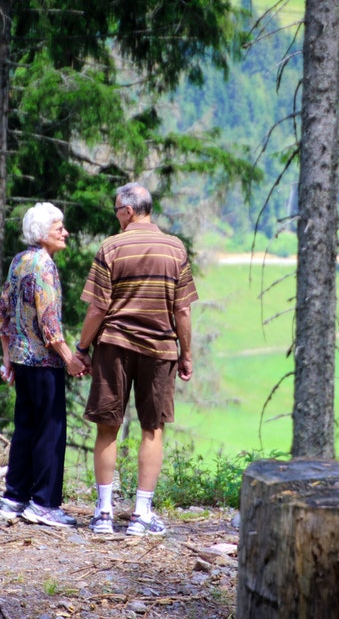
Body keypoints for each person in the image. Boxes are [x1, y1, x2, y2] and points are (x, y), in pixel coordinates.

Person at [73, 182, 198, 536]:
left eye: (116, 211)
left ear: (128, 211)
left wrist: (82, 349)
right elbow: (183, 310)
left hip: (113, 346)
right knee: (152, 429)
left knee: (107, 427)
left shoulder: (111, 247)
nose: (116, 217)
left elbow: (98, 307)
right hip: (160, 350)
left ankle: (103, 514)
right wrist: (186, 354)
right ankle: (142, 515)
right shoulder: (175, 248)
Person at [0, 202, 86, 529]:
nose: (65, 232)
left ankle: (13, 497)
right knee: (50, 430)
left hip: (21, 360)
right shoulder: (45, 266)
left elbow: (2, 314)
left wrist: (7, 360)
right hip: (44, 362)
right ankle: (44, 503)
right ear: (42, 233)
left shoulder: (19, 261)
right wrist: (70, 359)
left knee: (25, 429)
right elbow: (50, 325)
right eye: (58, 227)